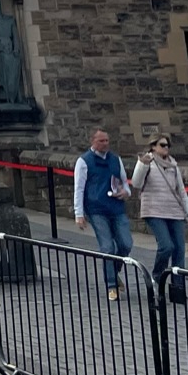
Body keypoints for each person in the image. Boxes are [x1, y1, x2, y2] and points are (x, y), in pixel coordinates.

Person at [132, 135, 188, 305]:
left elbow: (181, 191)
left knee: (179, 250)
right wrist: (142, 165)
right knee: (166, 246)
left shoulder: (173, 165)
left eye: (168, 145)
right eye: (162, 145)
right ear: (153, 146)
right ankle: (157, 276)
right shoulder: (148, 162)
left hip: (174, 211)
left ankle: (178, 288)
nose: (166, 148)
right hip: (154, 210)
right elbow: (136, 183)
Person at [74, 128, 135, 301]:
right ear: (93, 141)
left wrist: (126, 192)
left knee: (126, 244)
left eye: (107, 140)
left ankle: (113, 271)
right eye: (101, 141)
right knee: (107, 247)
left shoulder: (115, 159)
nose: (105, 144)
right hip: (96, 209)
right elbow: (79, 188)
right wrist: (79, 213)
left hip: (116, 207)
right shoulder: (84, 161)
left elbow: (124, 181)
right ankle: (111, 285)